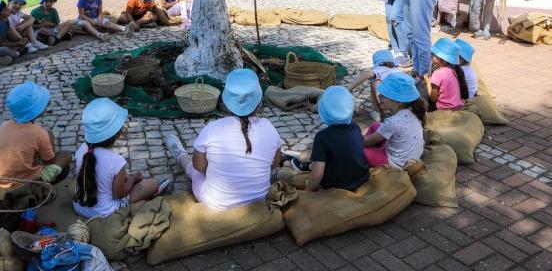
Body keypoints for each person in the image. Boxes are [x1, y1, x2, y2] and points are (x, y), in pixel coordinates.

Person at [164, 69, 282, 210]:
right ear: (259, 101)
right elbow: (274, 165)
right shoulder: (270, 128)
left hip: (215, 203)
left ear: (226, 101)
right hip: (258, 201)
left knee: (193, 171)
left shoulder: (212, 129)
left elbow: (199, 167)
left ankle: (180, 154)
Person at [73, 98, 171, 218]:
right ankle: (151, 189)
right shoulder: (116, 161)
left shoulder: (82, 150)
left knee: (117, 178)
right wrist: (133, 178)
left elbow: (101, 171)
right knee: (152, 183)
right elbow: (119, 194)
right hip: (104, 212)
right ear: (118, 134)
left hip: (79, 207)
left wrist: (127, 177)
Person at [0, 81, 73, 188]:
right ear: (39, 110)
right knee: (65, 156)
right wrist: (50, 140)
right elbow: (49, 161)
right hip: (25, 184)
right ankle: (43, 185)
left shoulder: (3, 126)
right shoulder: (39, 133)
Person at [285, 86, 369, 192]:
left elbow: (318, 173)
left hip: (336, 185)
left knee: (286, 176)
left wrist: (308, 190)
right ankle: (306, 165)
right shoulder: (355, 128)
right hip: (361, 178)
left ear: (323, 111)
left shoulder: (322, 137)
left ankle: (289, 163)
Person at [362, 73, 426, 168]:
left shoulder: (393, 122)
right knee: (376, 125)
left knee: (360, 150)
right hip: (411, 156)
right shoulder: (412, 111)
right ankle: (374, 143)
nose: (379, 97)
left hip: (396, 164)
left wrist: (356, 137)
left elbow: (366, 141)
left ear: (399, 102)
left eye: (384, 95)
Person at [345, 49, 398, 118]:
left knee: (373, 80)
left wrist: (349, 88)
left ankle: (379, 111)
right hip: (401, 98)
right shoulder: (396, 70)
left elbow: (366, 75)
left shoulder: (379, 69)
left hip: (386, 99)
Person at [426, 38, 468, 111]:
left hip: (445, 109)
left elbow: (433, 98)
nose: (431, 55)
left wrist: (427, 82)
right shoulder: (454, 69)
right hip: (459, 106)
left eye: (433, 54)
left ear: (441, 58)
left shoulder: (437, 73)